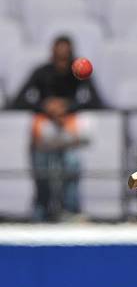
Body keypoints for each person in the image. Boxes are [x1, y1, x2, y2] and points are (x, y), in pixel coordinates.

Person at [11, 35, 104, 221]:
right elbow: (18, 100)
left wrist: (67, 107)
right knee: (43, 174)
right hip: (45, 132)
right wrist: (46, 107)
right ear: (52, 54)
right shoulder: (42, 72)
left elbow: (96, 101)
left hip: (68, 132)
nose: (62, 60)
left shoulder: (77, 74)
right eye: (58, 55)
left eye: (66, 55)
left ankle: (70, 212)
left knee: (71, 168)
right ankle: (41, 212)